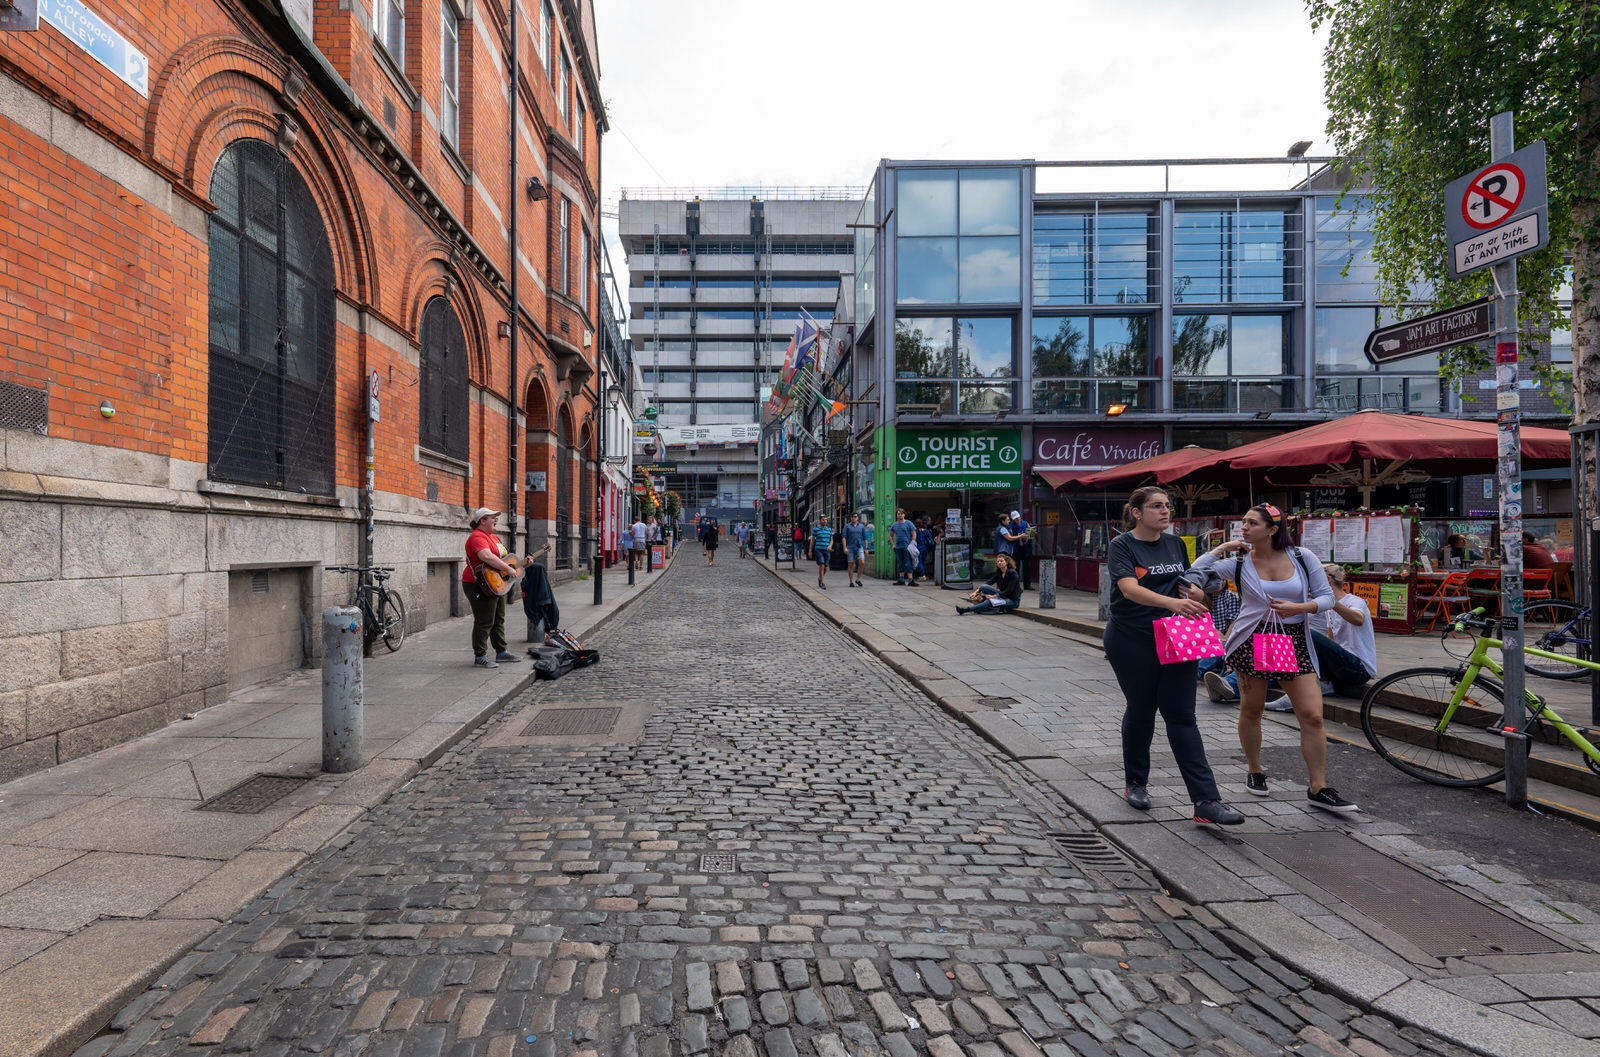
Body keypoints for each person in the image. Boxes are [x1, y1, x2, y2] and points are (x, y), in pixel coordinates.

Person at [1190, 503, 1358, 815]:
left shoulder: (1302, 557)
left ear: (1273, 529)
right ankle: (1255, 769)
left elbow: (1326, 598)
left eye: (1251, 523)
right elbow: (1193, 575)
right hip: (1252, 640)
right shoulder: (1238, 562)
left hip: (1295, 641)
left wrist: (1300, 608)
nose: (1244, 527)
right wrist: (1222, 548)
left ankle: (1318, 787)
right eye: (1243, 521)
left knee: (1312, 715)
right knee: (1251, 710)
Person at [1104, 487, 1243, 826]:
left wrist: (1194, 592)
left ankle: (1206, 801)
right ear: (1137, 512)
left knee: (1182, 716)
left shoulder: (1177, 544)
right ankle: (1136, 783)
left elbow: (1185, 583)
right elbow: (1128, 589)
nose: (1165, 511)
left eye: (1168, 506)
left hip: (1178, 638)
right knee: (1142, 709)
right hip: (1131, 639)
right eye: (1156, 506)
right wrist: (1173, 603)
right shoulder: (1122, 545)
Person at [461, 508, 523, 669]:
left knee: (498, 619)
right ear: (482, 521)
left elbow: (503, 559)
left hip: (495, 582)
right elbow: (486, 557)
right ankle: (480, 656)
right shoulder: (477, 537)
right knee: (484, 621)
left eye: (496, 518)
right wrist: (509, 569)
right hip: (478, 584)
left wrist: (519, 564)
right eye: (492, 518)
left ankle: (501, 652)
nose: (496, 520)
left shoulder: (493, 537)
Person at [1313, 563, 1377, 698]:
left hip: (1359, 669)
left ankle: (1322, 684)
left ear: (1328, 580)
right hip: (1340, 665)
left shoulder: (1355, 601)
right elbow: (1331, 639)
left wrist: (1331, 602)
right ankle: (1321, 681)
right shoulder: (1329, 607)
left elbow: (1358, 619)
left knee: (1309, 634)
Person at [957, 552, 1022, 614]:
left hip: (1013, 600)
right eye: (998, 561)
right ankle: (983, 606)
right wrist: (975, 592)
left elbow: (1009, 591)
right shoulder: (999, 572)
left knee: (990, 601)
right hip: (1003, 596)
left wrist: (993, 596)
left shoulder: (1013, 574)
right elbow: (989, 582)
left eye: (1001, 561)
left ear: (1006, 562)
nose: (999, 563)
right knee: (984, 586)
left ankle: (966, 609)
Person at [891, 509, 917, 586]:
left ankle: (910, 580)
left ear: (904, 515)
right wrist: (893, 544)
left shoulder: (909, 523)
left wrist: (912, 543)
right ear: (896, 515)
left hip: (907, 547)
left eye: (901, 514)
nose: (900, 515)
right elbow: (890, 535)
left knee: (908, 562)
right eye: (898, 514)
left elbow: (914, 534)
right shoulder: (894, 524)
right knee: (900, 563)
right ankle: (901, 580)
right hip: (898, 547)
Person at [843, 512, 868, 587]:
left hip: (859, 546)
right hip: (850, 547)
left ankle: (858, 579)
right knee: (851, 564)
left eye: (855, 516)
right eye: (853, 517)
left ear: (858, 518)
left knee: (862, 562)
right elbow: (844, 537)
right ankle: (851, 581)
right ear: (851, 518)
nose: (854, 518)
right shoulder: (847, 526)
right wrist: (845, 547)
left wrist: (866, 548)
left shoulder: (861, 526)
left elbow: (865, 538)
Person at [1010, 510, 1033, 591]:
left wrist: (1029, 535)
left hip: (1025, 548)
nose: (1017, 519)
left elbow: (1031, 533)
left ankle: (1027, 585)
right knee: (1016, 567)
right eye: (1015, 519)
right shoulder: (1011, 526)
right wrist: (1018, 536)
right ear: (1013, 519)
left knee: (1027, 567)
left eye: (1018, 518)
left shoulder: (1025, 523)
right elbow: (1010, 537)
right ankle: (1016, 586)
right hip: (1016, 548)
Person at [812, 517, 834, 589]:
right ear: (820, 521)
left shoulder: (829, 530)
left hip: (827, 550)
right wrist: (809, 550)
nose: (824, 521)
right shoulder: (816, 530)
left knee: (826, 567)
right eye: (823, 520)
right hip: (819, 550)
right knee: (822, 565)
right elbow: (812, 540)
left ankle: (820, 578)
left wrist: (830, 545)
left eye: (825, 520)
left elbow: (831, 540)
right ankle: (822, 583)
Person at [915, 518, 936, 582]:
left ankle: (922, 575)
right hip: (925, 548)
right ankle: (922, 575)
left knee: (919, 562)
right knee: (923, 562)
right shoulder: (926, 531)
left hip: (918, 548)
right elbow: (930, 538)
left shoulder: (915, 531)